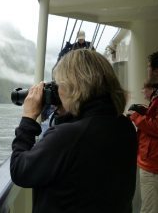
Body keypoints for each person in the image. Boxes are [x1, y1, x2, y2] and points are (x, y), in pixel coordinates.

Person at [10, 49, 137, 213]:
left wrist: (28, 118)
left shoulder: (67, 137)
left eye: (59, 85)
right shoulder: (124, 126)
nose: (58, 91)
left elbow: (20, 171)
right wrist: (66, 111)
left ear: (72, 87)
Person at [129, 51, 158, 213]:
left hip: (153, 165)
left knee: (149, 209)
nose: (146, 70)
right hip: (152, 162)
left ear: (156, 71)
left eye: (148, 66)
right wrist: (145, 112)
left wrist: (136, 117)